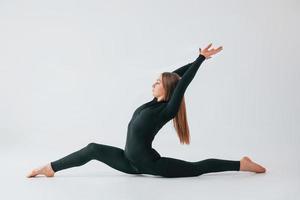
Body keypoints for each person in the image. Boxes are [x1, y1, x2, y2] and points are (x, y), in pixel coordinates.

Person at [27, 43, 266, 178]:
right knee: (92, 149)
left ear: (166, 90)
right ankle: (50, 168)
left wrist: (200, 60)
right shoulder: (152, 104)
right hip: (128, 162)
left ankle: (240, 164)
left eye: (157, 83)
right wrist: (195, 58)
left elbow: (180, 83)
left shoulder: (167, 109)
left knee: (197, 168)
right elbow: (176, 77)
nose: (153, 84)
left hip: (151, 165)